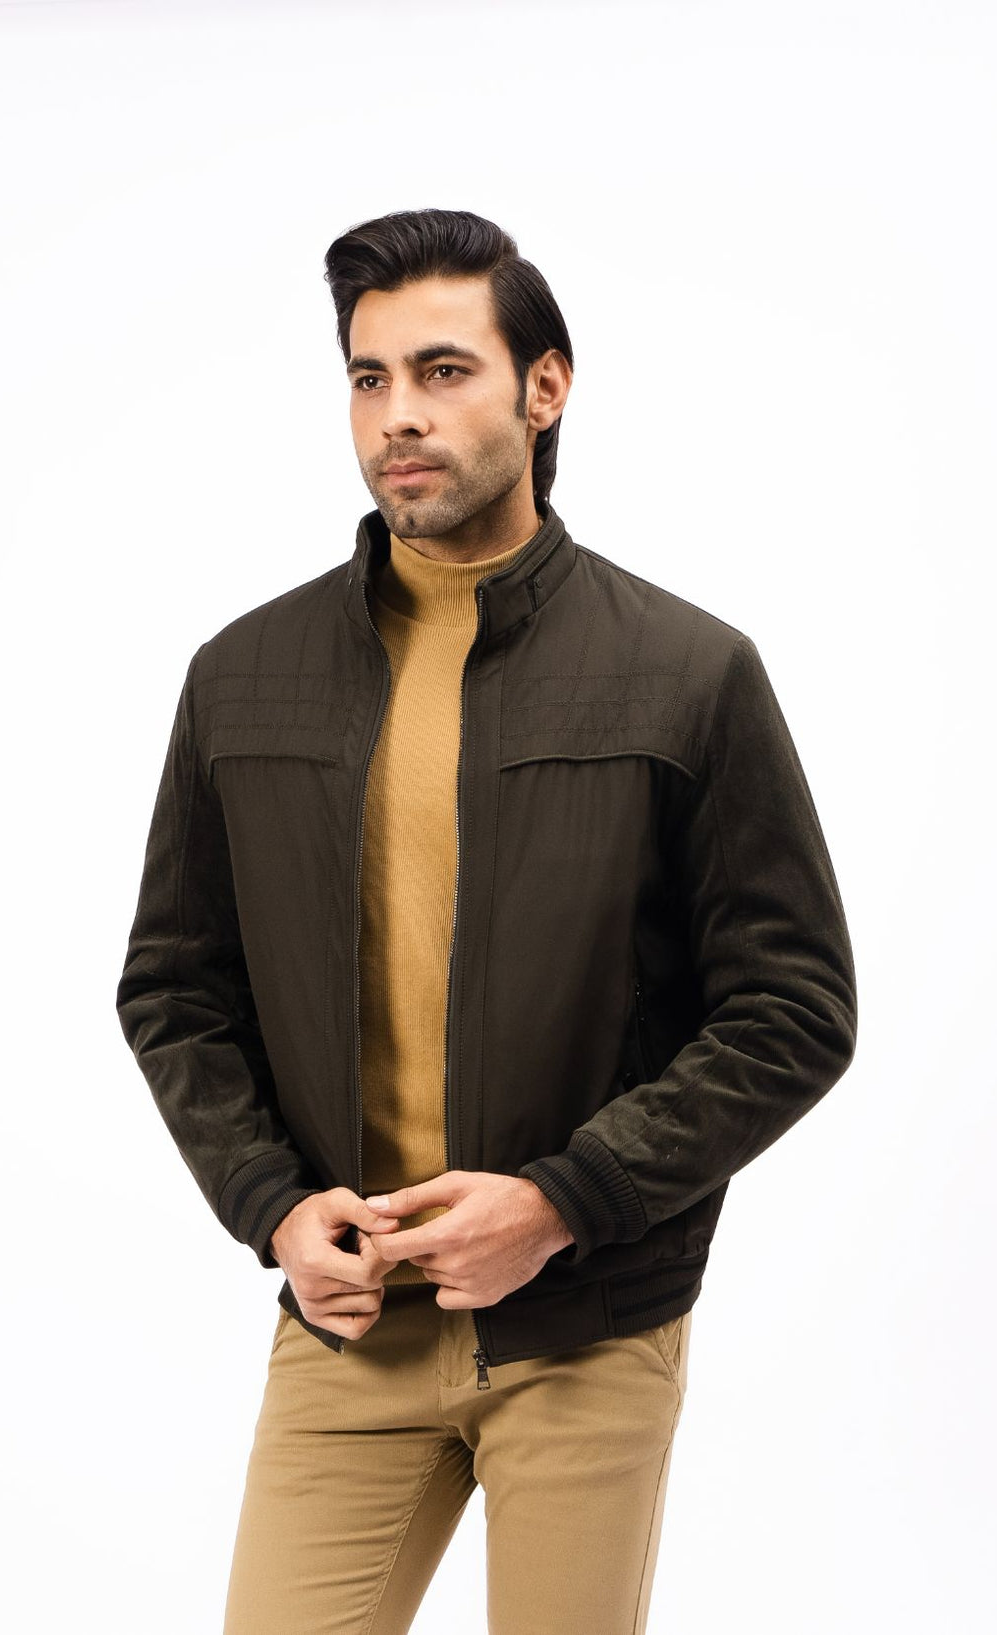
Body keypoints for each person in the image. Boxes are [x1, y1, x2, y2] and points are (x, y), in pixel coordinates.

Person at [116, 206, 858, 1635]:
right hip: (349, 1326)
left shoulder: (686, 673)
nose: (399, 413)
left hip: (586, 1324)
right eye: (368, 377)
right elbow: (175, 989)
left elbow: (793, 1010)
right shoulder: (243, 676)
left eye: (443, 370)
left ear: (544, 387)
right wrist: (272, 1206)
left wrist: (561, 1202)